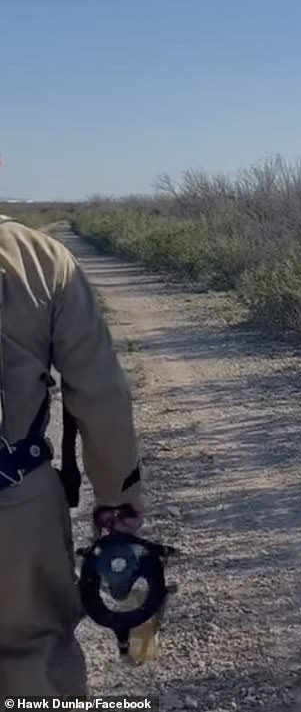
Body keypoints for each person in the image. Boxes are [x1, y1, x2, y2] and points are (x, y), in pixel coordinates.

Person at [0, 217, 142, 697]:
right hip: (15, 502)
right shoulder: (39, 258)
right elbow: (101, 398)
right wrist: (116, 502)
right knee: (33, 658)